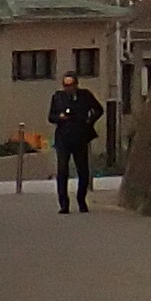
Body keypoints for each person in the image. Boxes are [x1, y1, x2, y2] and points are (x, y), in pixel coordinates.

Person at [47, 70, 108, 213]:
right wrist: (60, 117)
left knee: (83, 170)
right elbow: (51, 117)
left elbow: (98, 109)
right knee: (62, 170)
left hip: (80, 137)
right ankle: (64, 203)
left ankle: (81, 199)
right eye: (65, 85)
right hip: (63, 138)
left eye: (71, 85)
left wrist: (89, 121)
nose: (68, 88)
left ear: (76, 84)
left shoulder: (85, 95)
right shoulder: (58, 97)